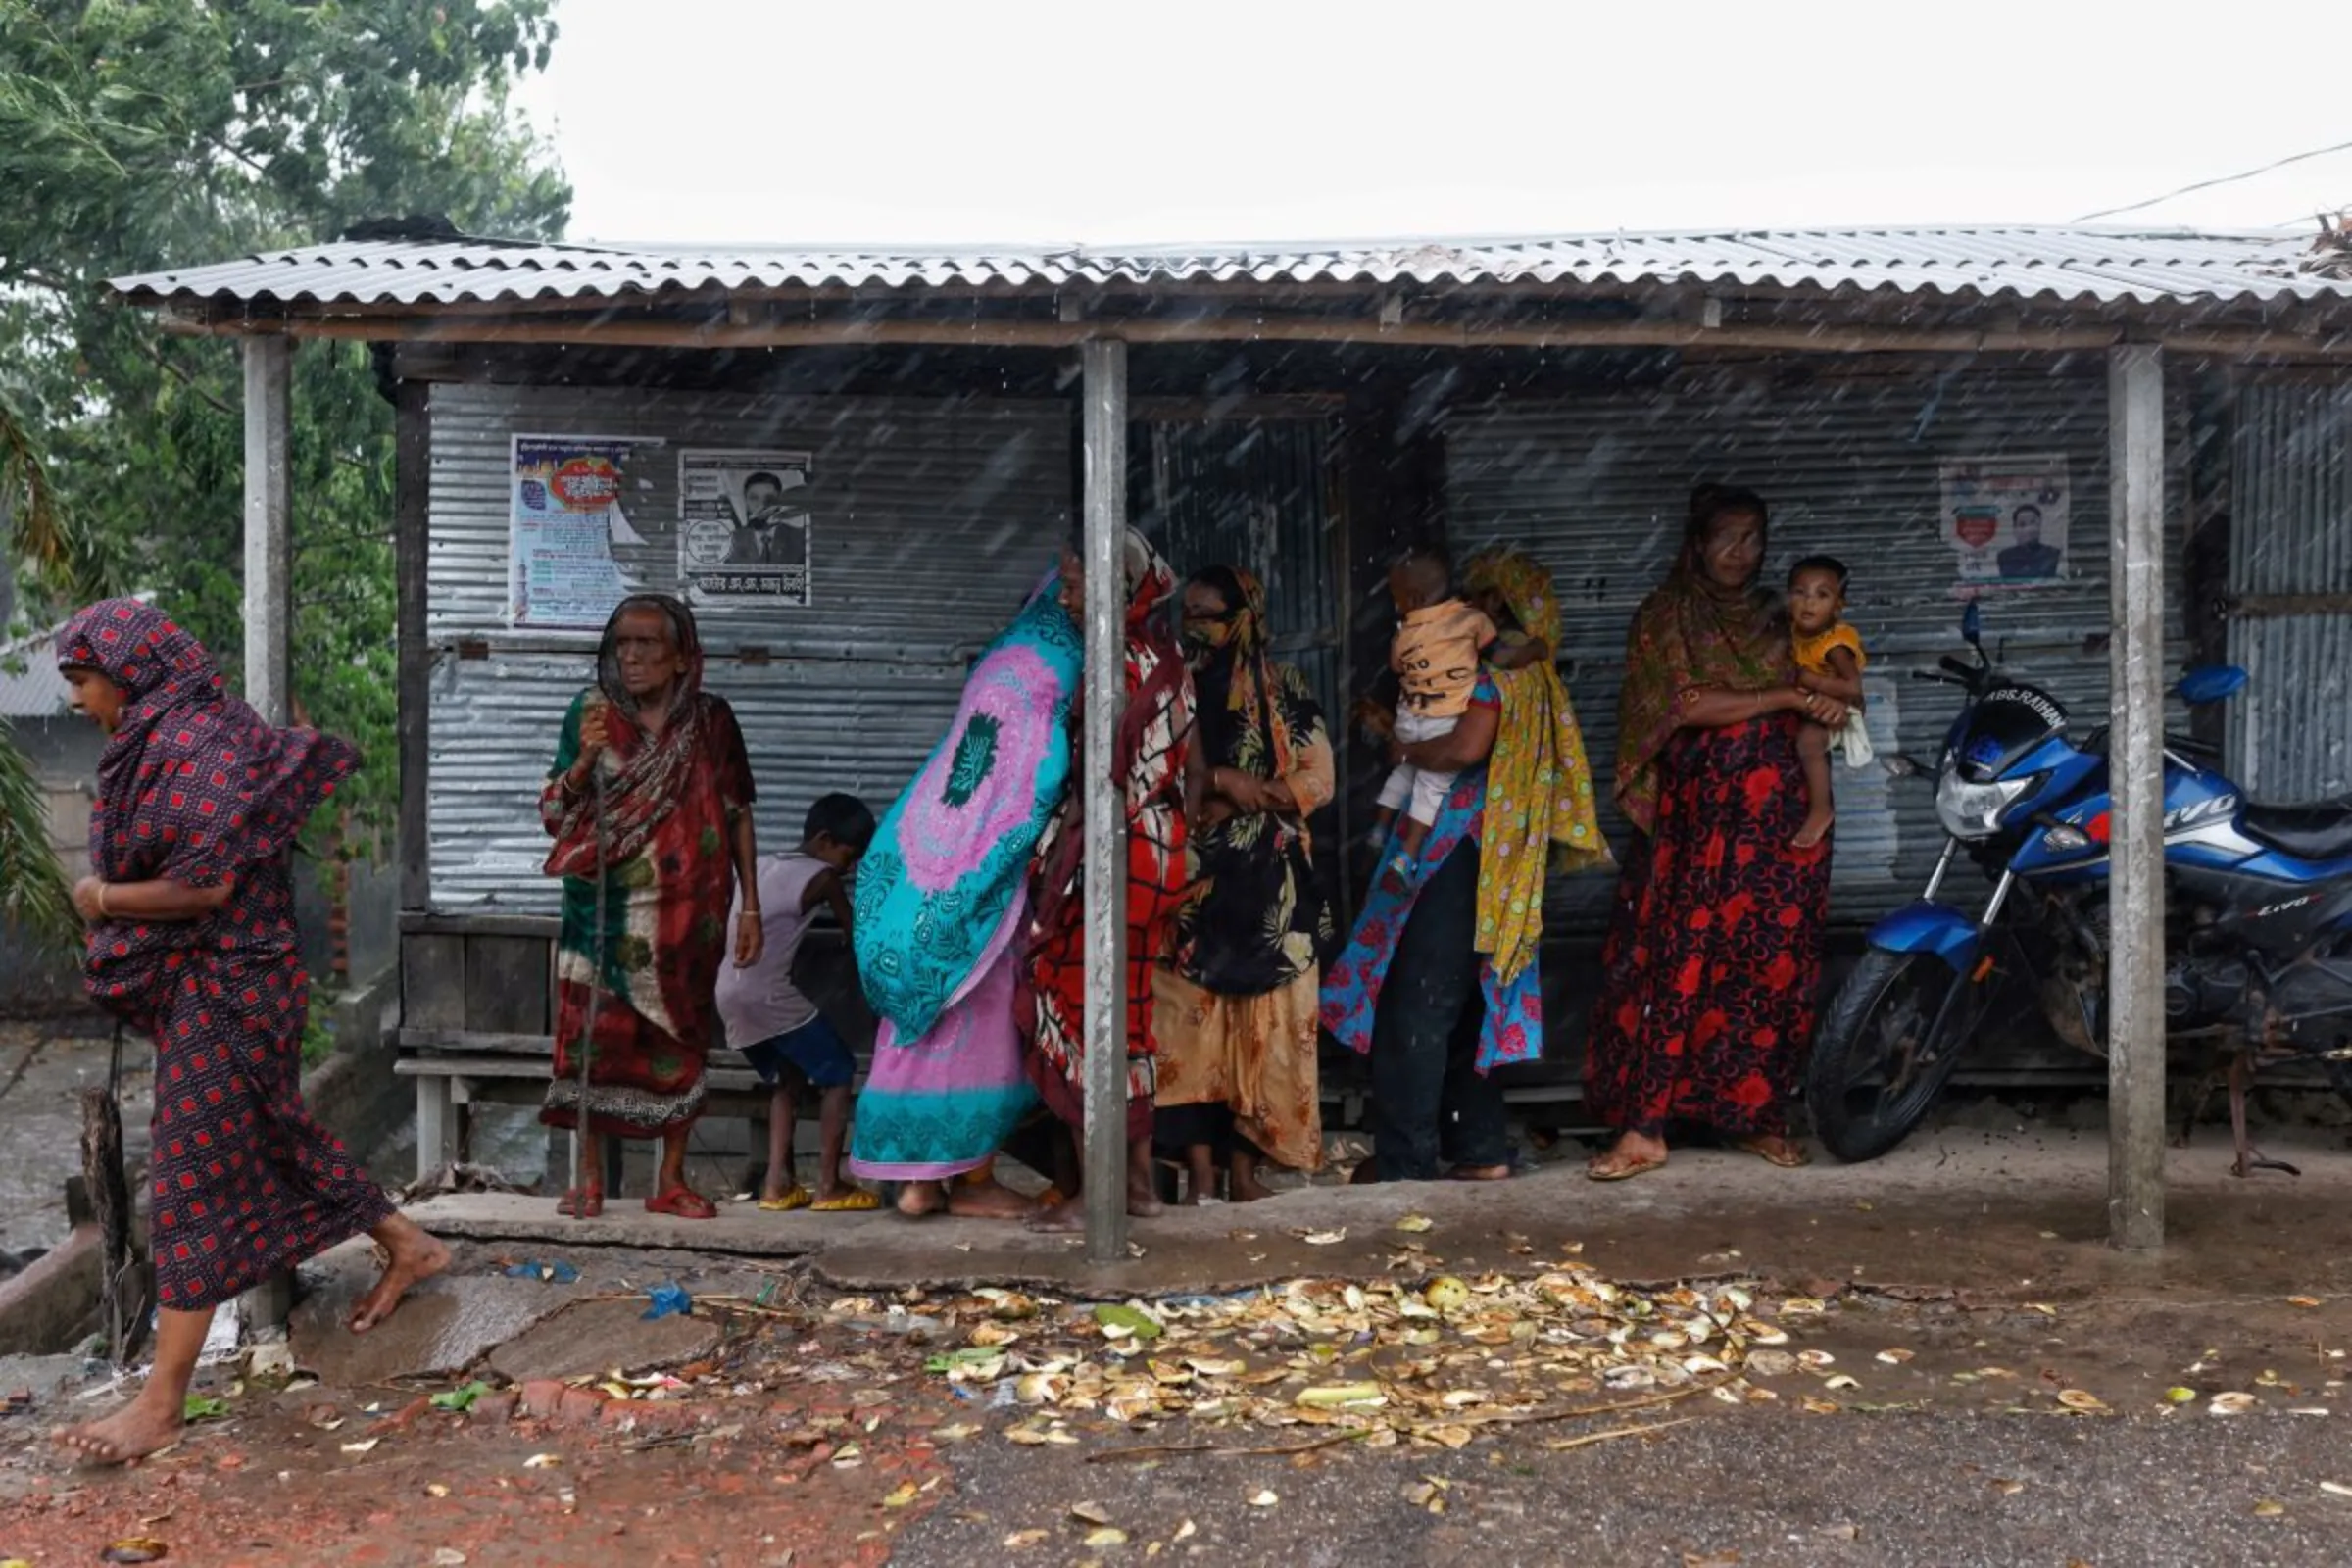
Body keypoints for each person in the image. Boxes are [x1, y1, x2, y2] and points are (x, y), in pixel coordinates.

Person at [50, 600, 447, 1464]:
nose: (80, 702)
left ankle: (161, 1404)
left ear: (128, 674)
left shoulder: (195, 745)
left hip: (232, 985)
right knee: (272, 1128)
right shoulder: (179, 734)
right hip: (223, 984)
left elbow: (205, 886)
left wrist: (102, 899)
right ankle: (409, 1243)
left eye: (82, 682)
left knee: (189, 1180)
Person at [1322, 548, 1605, 1183]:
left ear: (1500, 607)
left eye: (1481, 599)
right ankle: (1478, 1149)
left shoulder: (1489, 677)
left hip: (1454, 851)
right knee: (1473, 1002)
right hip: (1500, 857)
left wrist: (1403, 745)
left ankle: (1407, 1159)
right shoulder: (1538, 677)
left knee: (1418, 1004)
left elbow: (1461, 750)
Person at [1584, 486, 1839, 1181]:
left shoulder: (1779, 617)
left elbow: (1837, 685)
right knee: (1676, 965)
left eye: (1754, 538)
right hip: (1696, 826)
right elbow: (1684, 705)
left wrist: (1827, 700)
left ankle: (1753, 1115)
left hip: (1778, 828)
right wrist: (1786, 697)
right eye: (1726, 538)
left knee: (1766, 970)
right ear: (1696, 543)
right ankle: (1645, 1129)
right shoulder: (1667, 615)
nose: (1740, 553)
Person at [849, 569, 1083, 1219]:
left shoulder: (998, 667)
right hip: (977, 883)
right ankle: (973, 1182)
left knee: (915, 1027)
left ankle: (919, 1182)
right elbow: (1042, 773)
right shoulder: (1059, 670)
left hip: (923, 871)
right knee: (977, 1024)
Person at [539, 594, 760, 1220]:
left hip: (691, 917)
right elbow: (555, 816)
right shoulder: (589, 714)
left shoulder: (712, 722)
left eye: (647, 645)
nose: (630, 656)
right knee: (593, 1038)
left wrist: (752, 908)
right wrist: (583, 760)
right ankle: (587, 1179)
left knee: (683, 1037)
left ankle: (670, 1179)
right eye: (622, 644)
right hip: (602, 916)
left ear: (683, 657)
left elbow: (739, 811)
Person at [1022, 528, 1198, 1231]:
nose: (1062, 595)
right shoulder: (1170, 660)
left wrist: (1050, 883)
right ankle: (1140, 1189)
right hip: (1159, 855)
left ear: (1113, 588)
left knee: (1072, 1006)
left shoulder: (1112, 666)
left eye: (1072, 583)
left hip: (1112, 857)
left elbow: (1098, 786)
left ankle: (1101, 1193)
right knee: (1126, 1018)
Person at [1152, 566, 1336, 1203]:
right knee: (1187, 1036)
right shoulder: (1167, 689)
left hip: (1269, 894)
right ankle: (1199, 1172)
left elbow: (1317, 779)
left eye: (1209, 613)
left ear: (1244, 617)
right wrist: (1216, 787)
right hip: (1187, 890)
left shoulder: (1283, 690)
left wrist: (1236, 788)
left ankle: (1243, 1171)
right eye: (1188, 614)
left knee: (1265, 1033)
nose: (1195, 627)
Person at [717, 793, 878, 1213]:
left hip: (728, 995)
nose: (851, 867)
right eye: (851, 855)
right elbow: (854, 928)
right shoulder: (823, 877)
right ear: (825, 841)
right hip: (767, 996)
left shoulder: (763, 865)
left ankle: (776, 1185)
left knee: (787, 1080)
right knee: (839, 1071)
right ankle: (828, 1185)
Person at [1364, 549, 1499, 894]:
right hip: (1445, 739)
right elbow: (1462, 752)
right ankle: (1404, 858)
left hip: (1414, 718)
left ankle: (1379, 832)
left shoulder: (1406, 632)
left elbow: (1397, 667)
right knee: (1429, 788)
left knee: (1403, 773)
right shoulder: (1473, 629)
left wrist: (1407, 751)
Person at [1787, 555, 1870, 850]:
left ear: (1838, 606)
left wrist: (1812, 681)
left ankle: (1821, 808)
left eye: (1822, 595)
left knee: (1808, 741)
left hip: (1837, 707)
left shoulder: (1834, 644)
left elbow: (1852, 687)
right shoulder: (1792, 632)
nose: (1809, 603)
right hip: (1809, 704)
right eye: (1800, 593)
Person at [1996, 504, 2062, 579]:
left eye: (2032, 523)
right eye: (2022, 525)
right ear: (2015, 530)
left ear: (2040, 526)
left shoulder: (2053, 553)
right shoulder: (2004, 556)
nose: (2028, 529)